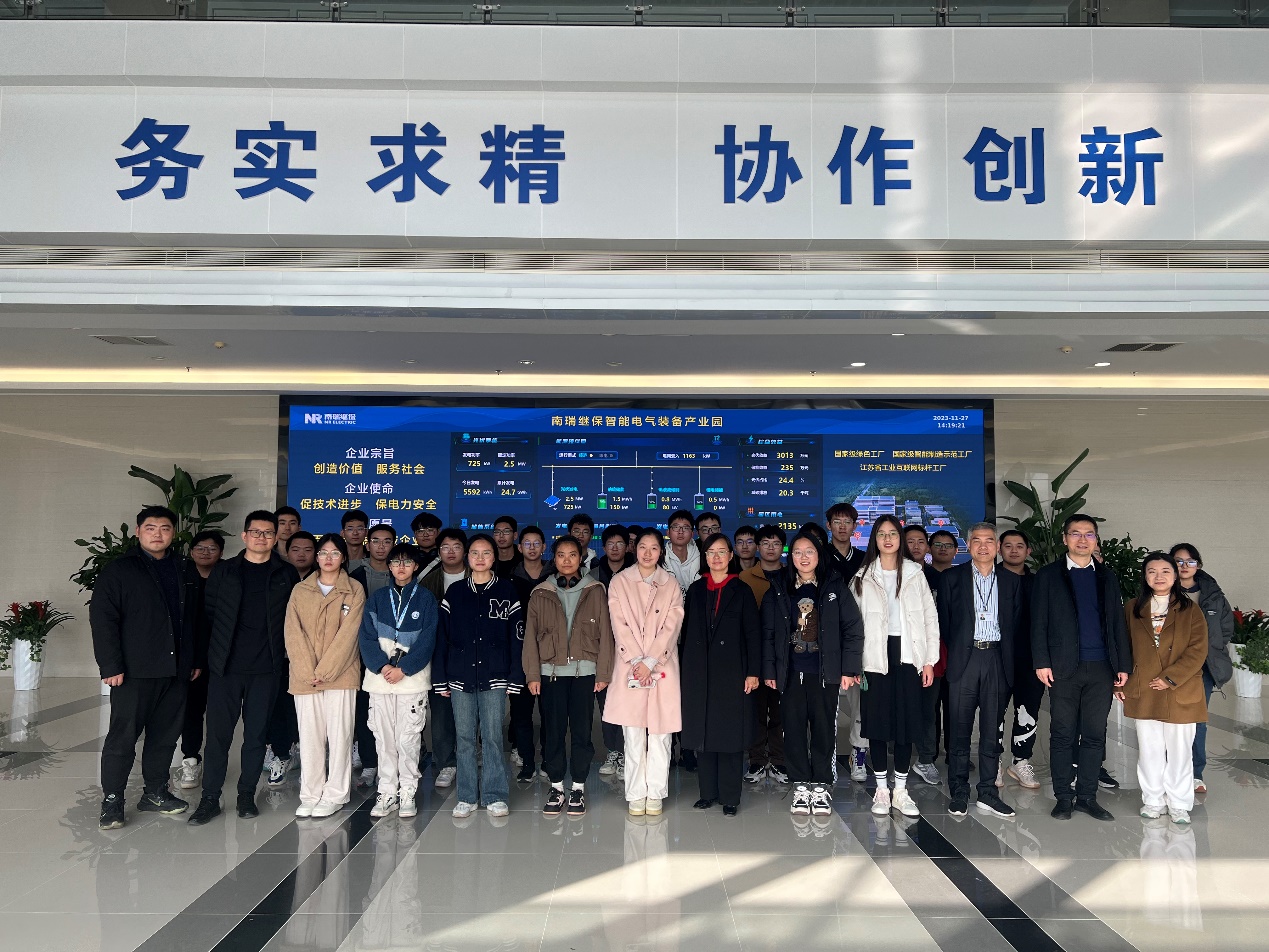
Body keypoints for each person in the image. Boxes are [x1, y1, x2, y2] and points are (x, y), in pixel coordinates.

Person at [92, 506, 201, 830]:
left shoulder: (184, 568)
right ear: (138, 531)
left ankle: (154, 792)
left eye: (164, 528)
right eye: (150, 528)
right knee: (123, 738)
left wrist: (194, 658)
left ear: (173, 533)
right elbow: (103, 619)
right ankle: (113, 800)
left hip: (175, 670)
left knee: (165, 738)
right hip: (134, 671)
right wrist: (111, 665)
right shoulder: (119, 570)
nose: (157, 534)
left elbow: (195, 618)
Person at [190, 510, 301, 825]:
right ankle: (210, 798)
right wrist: (205, 660)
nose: (262, 537)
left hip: (266, 669)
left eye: (268, 533)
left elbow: (293, 619)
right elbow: (208, 616)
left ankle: (246, 795)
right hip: (225, 668)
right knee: (218, 737)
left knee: (255, 737)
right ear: (244, 536)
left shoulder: (286, 573)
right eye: (256, 532)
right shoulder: (224, 571)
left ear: (275, 538)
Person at [1032, 513, 1132, 822]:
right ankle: (1064, 797)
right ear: (1065, 539)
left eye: (1089, 534)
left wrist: (1123, 665)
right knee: (1062, 733)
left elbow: (1117, 623)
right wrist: (1041, 661)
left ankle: (1088, 797)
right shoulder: (1048, 575)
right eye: (1075, 533)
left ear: (1096, 540)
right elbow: (1038, 622)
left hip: (1102, 668)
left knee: (1094, 734)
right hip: (1063, 667)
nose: (1082, 539)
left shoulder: (1107, 576)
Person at [762, 531, 864, 818]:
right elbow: (768, 635)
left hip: (824, 674)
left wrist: (848, 668)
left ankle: (821, 785)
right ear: (790, 556)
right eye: (797, 552)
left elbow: (853, 629)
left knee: (823, 731)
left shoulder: (834, 587)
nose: (803, 557)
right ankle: (800, 785)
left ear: (819, 555)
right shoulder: (779, 588)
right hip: (790, 673)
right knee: (793, 731)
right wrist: (769, 670)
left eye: (809, 551)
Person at [851, 514, 939, 819]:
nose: (887, 539)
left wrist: (929, 661)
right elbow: (852, 626)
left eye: (893, 534)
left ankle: (900, 790)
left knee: (906, 725)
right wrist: (853, 663)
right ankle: (881, 789)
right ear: (874, 539)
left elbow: (929, 619)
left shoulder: (915, 573)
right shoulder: (862, 576)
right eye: (881, 534)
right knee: (876, 726)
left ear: (900, 539)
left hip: (908, 656)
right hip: (874, 656)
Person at [433, 534, 524, 819]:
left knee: (493, 737)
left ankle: (495, 795)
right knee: (464, 737)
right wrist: (440, 677)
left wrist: (516, 676)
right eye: (475, 553)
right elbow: (442, 638)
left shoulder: (507, 590)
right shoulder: (456, 592)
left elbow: (517, 638)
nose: (480, 558)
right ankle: (467, 796)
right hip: (460, 676)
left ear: (494, 557)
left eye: (486, 553)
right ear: (467, 557)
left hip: (494, 676)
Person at [524, 535, 614, 819]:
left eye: (572, 554)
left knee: (582, 731)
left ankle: (577, 787)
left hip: (585, 673)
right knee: (553, 731)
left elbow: (606, 634)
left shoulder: (595, 589)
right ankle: (555, 787)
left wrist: (603, 672)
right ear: (554, 558)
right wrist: (532, 674)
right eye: (561, 555)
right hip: (550, 673)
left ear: (581, 557)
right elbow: (530, 638)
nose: (566, 560)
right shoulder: (541, 592)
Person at [937, 523, 1023, 818]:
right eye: (977, 540)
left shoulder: (1011, 582)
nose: (983, 546)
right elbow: (945, 623)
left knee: (991, 731)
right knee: (959, 730)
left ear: (997, 547)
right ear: (968, 545)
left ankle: (988, 792)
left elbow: (1015, 625)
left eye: (989, 541)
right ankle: (959, 791)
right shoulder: (951, 578)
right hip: (965, 658)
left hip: (997, 659)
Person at [1118, 553, 1209, 825]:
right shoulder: (1132, 608)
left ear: (1175, 575)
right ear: (1145, 576)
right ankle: (1153, 800)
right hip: (1144, 688)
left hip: (1181, 689)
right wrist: (1118, 681)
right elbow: (1122, 647)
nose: (1159, 576)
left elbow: (1198, 649)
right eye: (1152, 571)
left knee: (1180, 751)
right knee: (1150, 750)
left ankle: (1179, 803)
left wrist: (1170, 678)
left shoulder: (1191, 609)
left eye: (1165, 571)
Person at [604, 528, 685, 816]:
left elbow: (672, 625)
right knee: (633, 733)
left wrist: (650, 661)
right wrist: (637, 660)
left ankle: (656, 793)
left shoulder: (671, 583)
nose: (647, 553)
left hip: (661, 665)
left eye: (653, 548)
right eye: (642, 547)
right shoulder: (619, 581)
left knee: (661, 734)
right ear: (634, 549)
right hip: (630, 665)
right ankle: (636, 794)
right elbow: (618, 624)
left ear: (661, 551)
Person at [284, 533, 366, 818]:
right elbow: (293, 633)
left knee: (340, 737)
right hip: (304, 677)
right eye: (323, 553)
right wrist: (308, 671)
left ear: (344, 557)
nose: (328, 558)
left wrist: (325, 671)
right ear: (316, 557)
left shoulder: (354, 589)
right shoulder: (300, 590)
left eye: (334, 553)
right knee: (309, 738)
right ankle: (310, 793)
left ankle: (335, 794)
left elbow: (350, 635)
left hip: (340, 675)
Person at [680, 533, 761, 816]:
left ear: (730, 556)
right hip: (699, 672)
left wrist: (753, 672)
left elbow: (753, 634)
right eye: (711, 552)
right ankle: (707, 793)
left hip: (732, 672)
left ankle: (730, 797)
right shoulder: (696, 590)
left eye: (721, 552)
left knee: (729, 735)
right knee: (703, 733)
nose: (716, 557)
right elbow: (686, 633)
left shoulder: (742, 590)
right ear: (705, 557)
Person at [360, 542, 439, 820]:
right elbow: (366, 637)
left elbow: (428, 639)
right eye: (396, 562)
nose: (401, 567)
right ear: (389, 567)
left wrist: (404, 668)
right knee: (383, 738)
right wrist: (382, 666)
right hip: (380, 680)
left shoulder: (426, 599)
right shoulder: (377, 599)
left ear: (415, 566)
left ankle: (407, 790)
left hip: (411, 680)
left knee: (408, 739)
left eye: (407, 562)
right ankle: (386, 791)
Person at [1169, 543, 1234, 794]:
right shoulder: (1163, 591)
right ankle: (1170, 771)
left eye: (1190, 561)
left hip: (1203, 667)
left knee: (1197, 720)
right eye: (1179, 561)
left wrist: (1211, 649)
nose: (1184, 566)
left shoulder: (1213, 595)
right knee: (1169, 720)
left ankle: (1195, 773)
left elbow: (1225, 628)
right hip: (1170, 666)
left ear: (1199, 565)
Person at [349, 523, 398, 788]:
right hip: (363, 653)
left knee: (396, 714)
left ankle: (397, 764)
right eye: (376, 541)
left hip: (398, 656)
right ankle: (370, 763)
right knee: (366, 710)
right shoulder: (355, 575)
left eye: (387, 541)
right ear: (368, 544)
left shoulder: (402, 573)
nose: (381, 546)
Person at [419, 527, 468, 788]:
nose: (451, 552)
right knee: (440, 715)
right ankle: (446, 763)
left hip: (471, 656)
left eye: (456, 546)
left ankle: (469, 757)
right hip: (438, 655)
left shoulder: (478, 576)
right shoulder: (428, 581)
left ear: (465, 551)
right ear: (438, 552)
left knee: (471, 712)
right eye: (445, 547)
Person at [739, 525, 788, 784]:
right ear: (758, 547)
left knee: (781, 712)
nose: (770, 548)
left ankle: (779, 761)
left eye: (776, 543)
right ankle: (756, 760)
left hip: (784, 657)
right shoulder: (745, 578)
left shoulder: (792, 576)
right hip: (755, 657)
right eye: (765, 543)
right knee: (756, 711)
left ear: (783, 548)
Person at [585, 524, 633, 780]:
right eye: (610, 544)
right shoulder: (592, 575)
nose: (615, 548)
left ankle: (627, 752)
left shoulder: (637, 573)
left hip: (631, 647)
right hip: (600, 647)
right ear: (603, 547)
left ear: (627, 547)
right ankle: (613, 751)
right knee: (605, 702)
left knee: (629, 700)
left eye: (620, 543)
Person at [177, 529, 223, 792]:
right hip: (192, 660)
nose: (206, 553)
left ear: (221, 553)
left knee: (219, 715)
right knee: (192, 712)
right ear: (191, 551)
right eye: (200, 548)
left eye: (212, 548)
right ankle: (191, 759)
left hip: (222, 658)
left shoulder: (228, 577)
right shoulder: (181, 577)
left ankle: (216, 764)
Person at [996, 529, 1042, 791]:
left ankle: (1020, 761)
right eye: (1008, 545)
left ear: (1028, 551)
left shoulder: (1039, 583)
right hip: (997, 658)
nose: (1014, 550)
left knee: (1028, 711)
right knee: (995, 711)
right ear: (1000, 549)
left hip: (1031, 659)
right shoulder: (990, 579)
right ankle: (993, 762)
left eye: (1020, 546)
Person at [509, 525, 553, 782]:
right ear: (519, 547)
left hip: (551, 655)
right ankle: (527, 762)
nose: (532, 548)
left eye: (537, 543)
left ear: (544, 547)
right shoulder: (509, 579)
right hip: (520, 655)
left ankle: (547, 760)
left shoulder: (555, 576)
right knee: (521, 714)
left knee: (549, 713)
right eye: (527, 543)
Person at [905, 523, 948, 787]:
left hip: (931, 653)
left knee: (928, 708)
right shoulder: (892, 575)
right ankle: (898, 757)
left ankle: (926, 758)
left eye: (921, 541)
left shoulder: (938, 578)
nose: (916, 546)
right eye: (910, 541)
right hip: (899, 651)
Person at [825, 503, 865, 582]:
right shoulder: (819, 557)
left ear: (854, 526)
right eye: (837, 522)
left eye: (847, 522)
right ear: (829, 525)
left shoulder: (864, 559)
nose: (842, 526)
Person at [665, 510, 701, 596]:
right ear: (668, 532)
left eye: (685, 528)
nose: (680, 532)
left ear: (692, 534)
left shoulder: (703, 558)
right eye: (676, 527)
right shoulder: (659, 558)